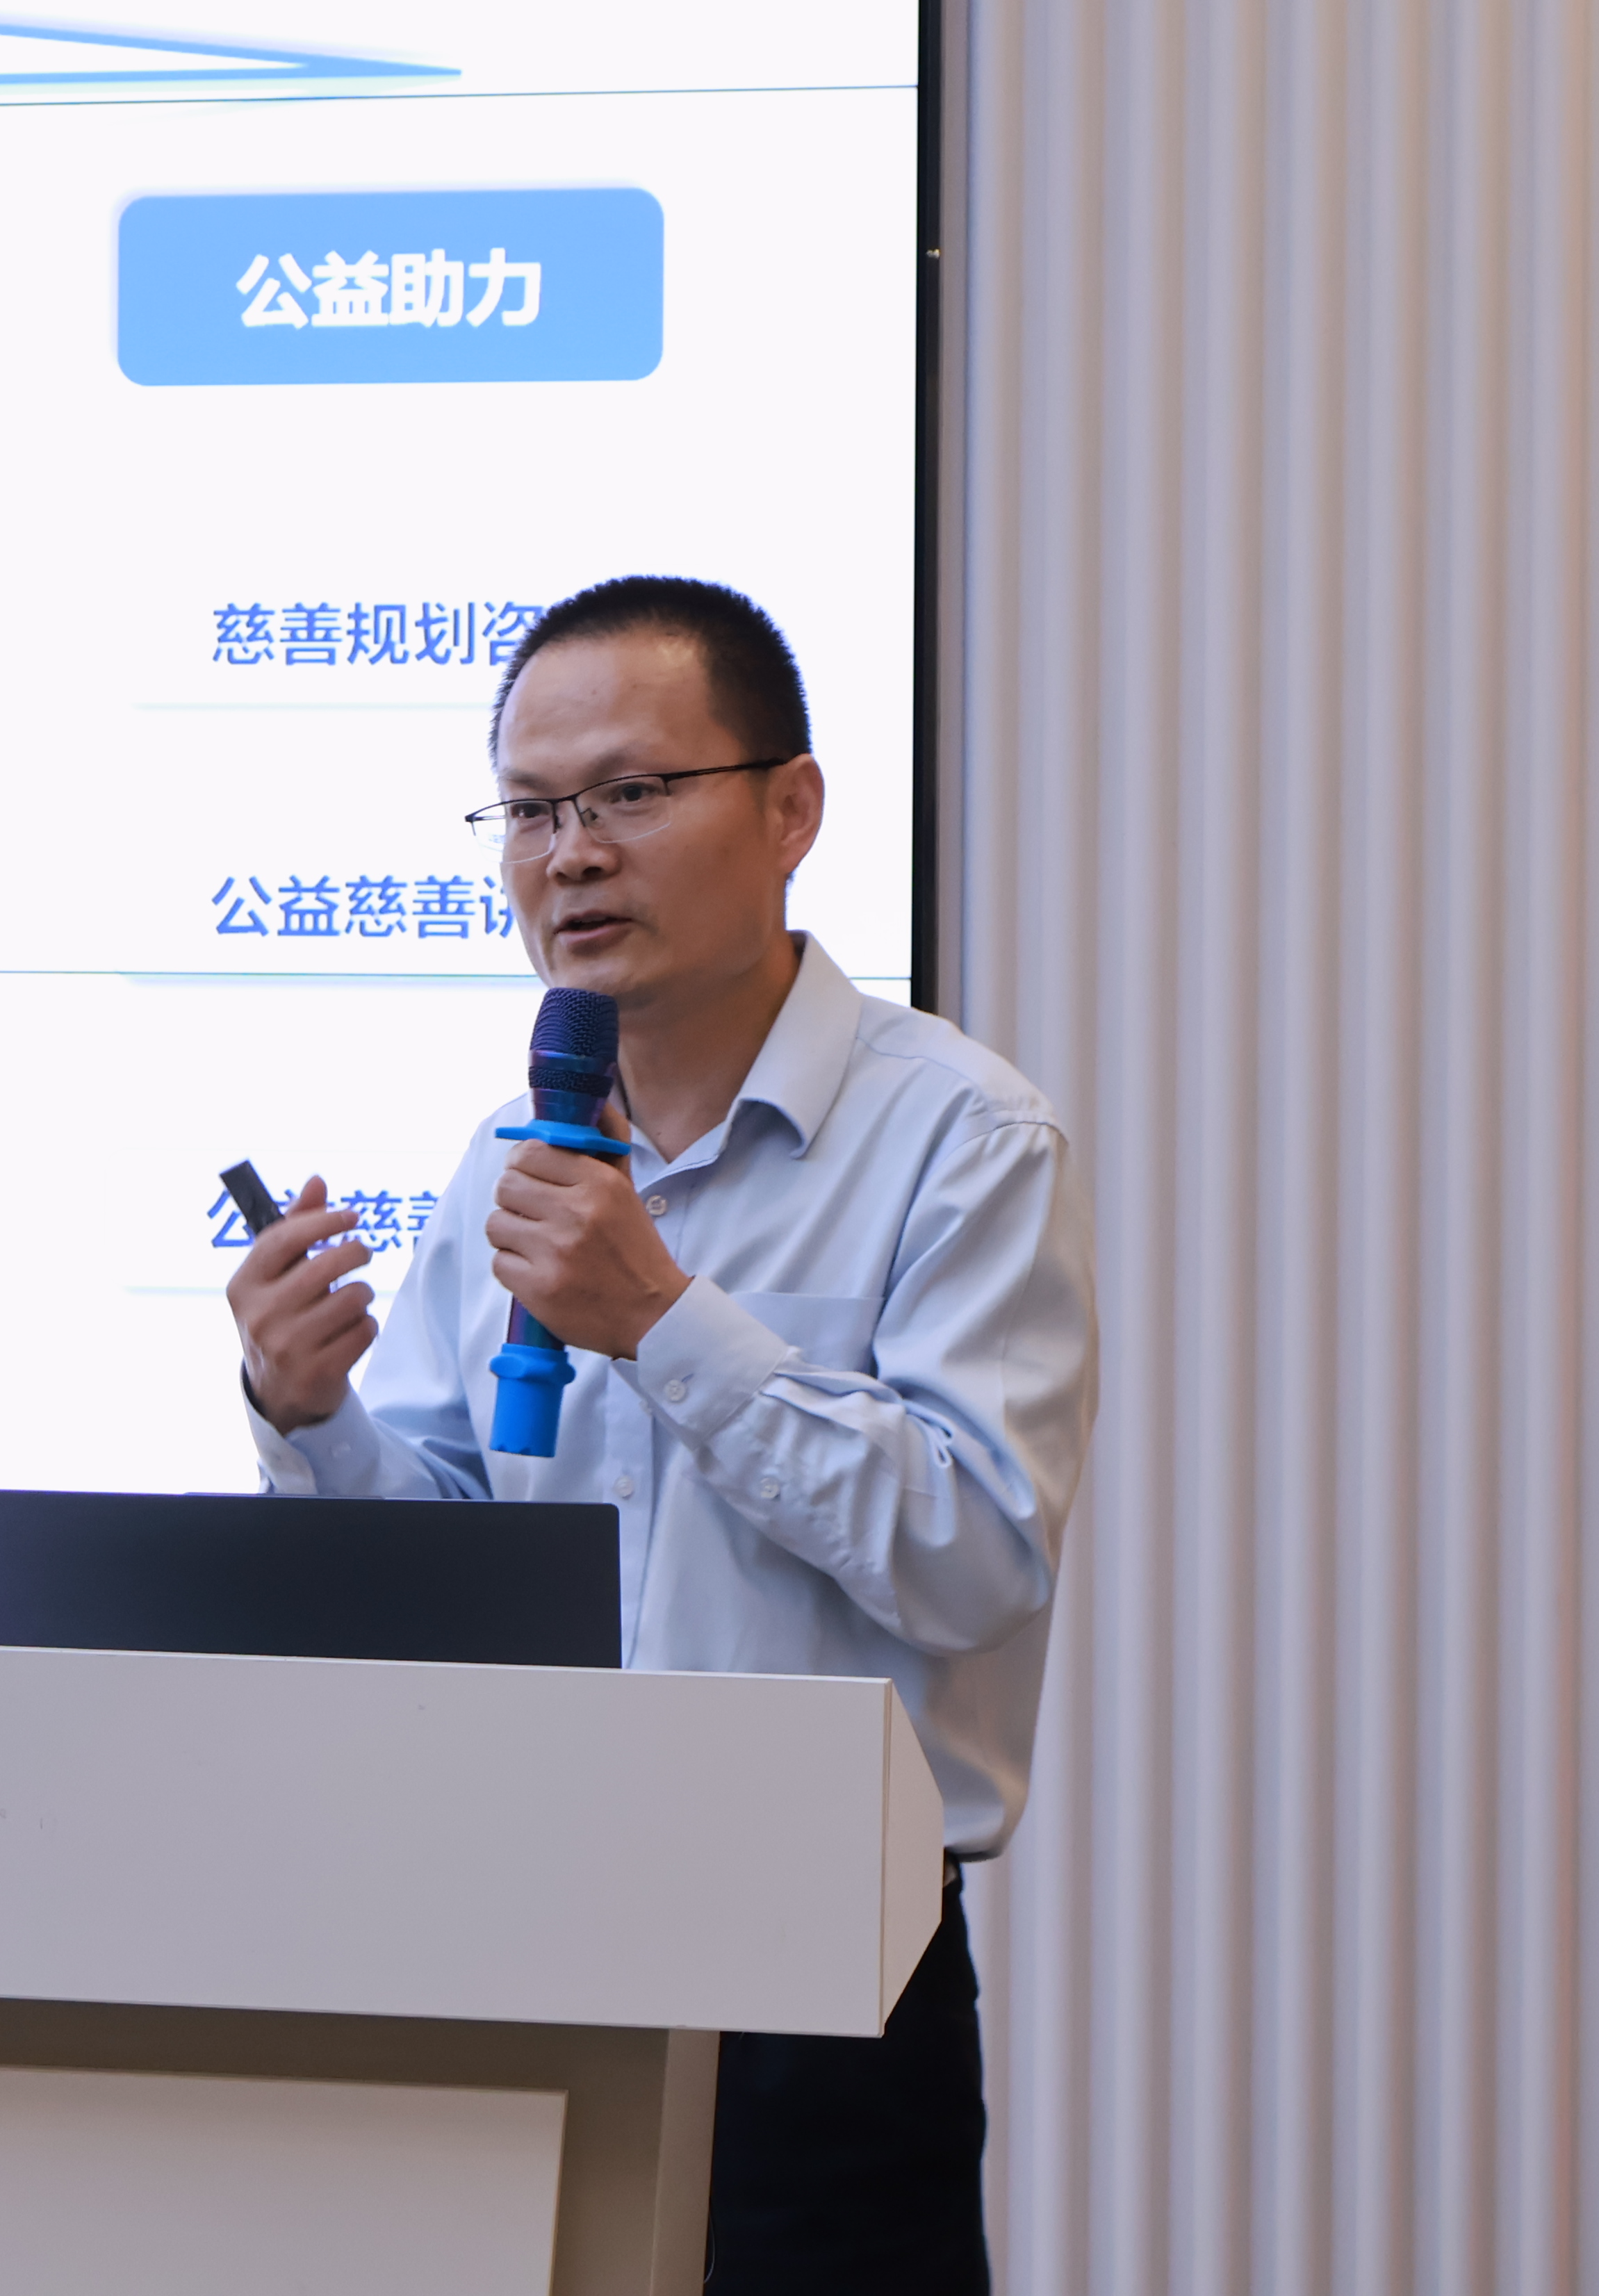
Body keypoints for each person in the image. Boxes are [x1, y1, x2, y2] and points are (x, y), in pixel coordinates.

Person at [226, 575, 1097, 2295]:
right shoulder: (513, 1148)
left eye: (629, 792)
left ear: (792, 809)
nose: (571, 855)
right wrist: (310, 1414)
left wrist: (665, 1321)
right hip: (518, 1924)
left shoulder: (965, 1137)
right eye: (531, 809)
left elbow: (977, 1552)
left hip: (819, 1976)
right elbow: (457, 1553)